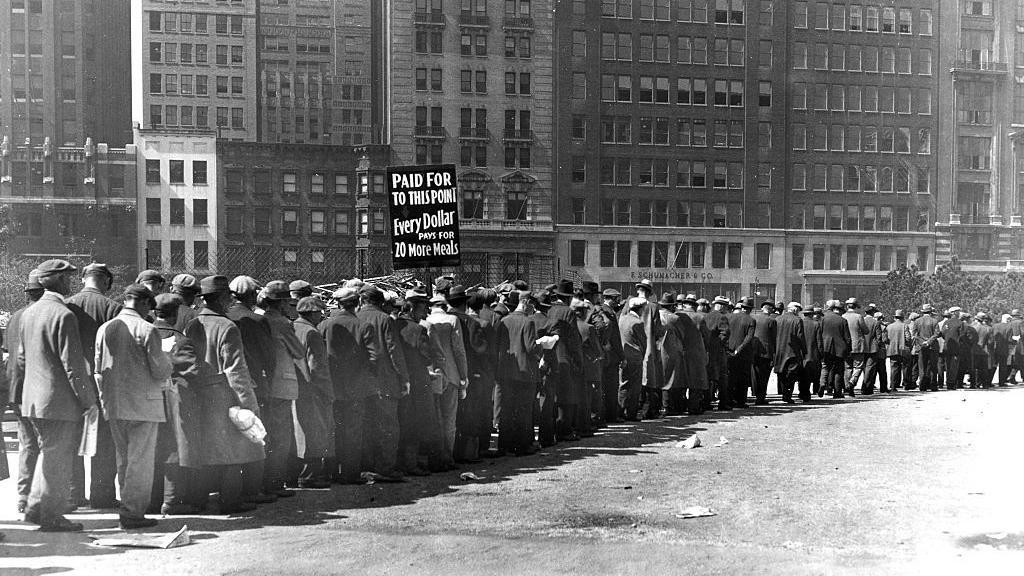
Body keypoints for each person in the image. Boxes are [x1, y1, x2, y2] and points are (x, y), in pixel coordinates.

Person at [15, 259, 98, 532]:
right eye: (68, 277)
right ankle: (51, 515)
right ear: (61, 281)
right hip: (59, 403)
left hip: (33, 400)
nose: (71, 281)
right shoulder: (64, 315)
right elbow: (73, 367)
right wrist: (88, 401)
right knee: (58, 458)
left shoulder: (29, 313)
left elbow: (21, 359)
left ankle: (35, 508)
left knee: (45, 454)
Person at [94, 284, 173, 529]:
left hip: (115, 404)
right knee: (141, 461)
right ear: (144, 303)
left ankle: (127, 506)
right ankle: (132, 513)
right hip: (144, 405)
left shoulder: (105, 328)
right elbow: (159, 370)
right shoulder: (147, 329)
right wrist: (168, 358)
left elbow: (98, 370)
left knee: (124, 458)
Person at [185, 275, 265, 514]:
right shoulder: (227, 326)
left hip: (199, 393)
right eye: (227, 297)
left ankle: (200, 499)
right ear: (221, 298)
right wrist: (248, 403)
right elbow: (235, 368)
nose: (231, 300)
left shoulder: (193, 323)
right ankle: (230, 501)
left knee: (207, 447)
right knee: (232, 450)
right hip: (224, 393)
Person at [64, 262, 121, 510]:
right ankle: (102, 495)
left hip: (73, 384)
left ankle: (74, 494)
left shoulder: (66, 305)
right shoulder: (113, 308)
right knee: (104, 442)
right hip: (103, 384)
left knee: (74, 439)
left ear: (83, 279)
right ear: (106, 281)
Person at [150, 293, 204, 515]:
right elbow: (193, 371)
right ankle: (172, 501)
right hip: (175, 400)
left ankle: (152, 500)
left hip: (149, 399)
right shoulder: (180, 340)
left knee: (153, 448)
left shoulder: (145, 334)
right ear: (175, 314)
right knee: (175, 446)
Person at [225, 276, 277, 504]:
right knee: (257, 434)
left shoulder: (224, 318)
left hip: (225, 385)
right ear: (253, 295)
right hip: (255, 383)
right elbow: (269, 357)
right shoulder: (256, 320)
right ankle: (254, 488)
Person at [357, 284, 410, 481]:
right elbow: (393, 349)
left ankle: (367, 465)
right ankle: (385, 468)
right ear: (380, 302)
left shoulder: (356, 318)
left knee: (366, 425)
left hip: (362, 382)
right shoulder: (384, 319)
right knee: (388, 426)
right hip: (385, 381)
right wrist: (404, 377)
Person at [319, 287, 372, 483]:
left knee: (333, 429)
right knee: (353, 431)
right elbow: (373, 357)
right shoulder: (362, 325)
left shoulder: (324, 325)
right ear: (356, 303)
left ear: (338, 303)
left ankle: (331, 471)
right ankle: (350, 473)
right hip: (356, 387)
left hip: (332, 386)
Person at [260, 280, 304, 496]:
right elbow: (299, 351)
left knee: (269, 434)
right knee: (281, 435)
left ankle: (268, 480)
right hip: (282, 384)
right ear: (281, 303)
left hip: (266, 384)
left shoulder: (261, 319)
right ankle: (276, 482)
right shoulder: (283, 323)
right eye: (288, 302)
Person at [7, 271, 44, 515]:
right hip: (36, 389)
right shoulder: (38, 316)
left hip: (16, 389)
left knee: (27, 444)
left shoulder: (15, 318)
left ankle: (23, 495)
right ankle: (36, 498)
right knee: (46, 444)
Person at [420, 292, 468, 470]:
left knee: (433, 418)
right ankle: (446, 457)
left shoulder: (424, 322)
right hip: (451, 373)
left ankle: (431, 456)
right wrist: (464, 375)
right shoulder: (452, 320)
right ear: (445, 305)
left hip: (430, 374)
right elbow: (458, 350)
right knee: (449, 419)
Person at [292, 296, 335, 488]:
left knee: (300, 431)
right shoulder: (312, 333)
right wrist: (328, 392)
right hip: (314, 389)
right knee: (316, 431)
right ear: (312, 313)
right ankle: (310, 476)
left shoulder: (293, 327)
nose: (321, 315)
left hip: (297, 387)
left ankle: (297, 473)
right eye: (319, 312)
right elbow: (318, 368)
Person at [394, 289, 438, 475]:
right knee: (418, 421)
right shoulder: (418, 330)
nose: (425, 314)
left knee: (402, 421)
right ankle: (412, 464)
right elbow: (426, 357)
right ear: (412, 309)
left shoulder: (394, 325)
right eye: (422, 310)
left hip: (398, 379)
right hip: (418, 380)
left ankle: (401, 462)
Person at [496, 291, 542, 456]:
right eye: (532, 304)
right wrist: (541, 347)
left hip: (506, 372)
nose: (533, 308)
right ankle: (523, 445)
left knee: (507, 409)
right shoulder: (528, 322)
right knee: (524, 410)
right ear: (526, 302)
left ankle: (504, 445)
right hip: (524, 373)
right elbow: (530, 348)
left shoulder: (504, 320)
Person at [676, 294, 710, 414]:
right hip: (696, 352)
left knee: (680, 380)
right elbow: (707, 337)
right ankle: (693, 407)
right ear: (695, 306)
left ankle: (679, 407)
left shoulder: (677, 316)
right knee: (696, 381)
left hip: (680, 351)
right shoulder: (699, 317)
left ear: (684, 304)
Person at [573, 298, 603, 433]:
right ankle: (586, 425)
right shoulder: (588, 328)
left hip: (574, 365)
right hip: (588, 365)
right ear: (584, 312)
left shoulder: (570, 325)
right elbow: (597, 348)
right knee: (587, 396)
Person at [618, 297, 648, 421]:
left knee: (623, 384)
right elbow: (643, 342)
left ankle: (619, 411)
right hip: (635, 357)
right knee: (635, 387)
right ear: (640, 309)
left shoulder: (622, 319)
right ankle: (632, 413)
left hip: (624, 355)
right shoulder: (638, 323)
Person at [598, 289, 624, 423]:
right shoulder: (608, 313)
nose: (617, 302)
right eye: (615, 299)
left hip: (604, 354)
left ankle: (605, 415)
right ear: (608, 299)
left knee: (604, 386)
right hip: (611, 355)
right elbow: (615, 338)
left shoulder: (601, 310)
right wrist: (622, 356)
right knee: (611, 387)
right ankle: (611, 416)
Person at [656, 292, 684, 417]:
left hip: (656, 349)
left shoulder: (655, 316)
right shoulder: (674, 318)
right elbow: (682, 334)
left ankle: (658, 406)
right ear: (672, 306)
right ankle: (667, 406)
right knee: (670, 378)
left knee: (658, 378)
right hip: (670, 350)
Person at [773, 303, 806, 404]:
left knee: (781, 373)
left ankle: (783, 392)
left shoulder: (778, 319)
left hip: (779, 350)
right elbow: (800, 337)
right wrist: (804, 350)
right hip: (792, 351)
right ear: (795, 310)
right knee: (791, 374)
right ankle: (787, 395)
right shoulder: (797, 320)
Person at [727, 297, 756, 408]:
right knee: (743, 378)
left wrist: (729, 349)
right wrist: (738, 350)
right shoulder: (751, 320)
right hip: (743, 354)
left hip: (730, 352)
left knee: (731, 377)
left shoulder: (730, 317)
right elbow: (749, 338)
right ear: (750, 309)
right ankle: (740, 401)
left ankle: (729, 399)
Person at [705, 296, 732, 411]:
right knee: (723, 377)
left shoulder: (706, 316)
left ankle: (706, 402)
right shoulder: (722, 318)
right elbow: (725, 333)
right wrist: (718, 344)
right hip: (718, 352)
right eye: (726, 307)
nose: (726, 309)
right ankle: (723, 403)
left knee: (708, 377)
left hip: (706, 351)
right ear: (721, 306)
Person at [821, 300, 852, 398]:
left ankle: (822, 384)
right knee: (838, 371)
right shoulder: (842, 321)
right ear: (840, 310)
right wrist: (848, 350)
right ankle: (837, 392)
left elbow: (819, 333)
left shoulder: (824, 319)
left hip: (826, 348)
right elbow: (847, 338)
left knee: (826, 367)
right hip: (839, 349)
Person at [751, 300, 777, 405]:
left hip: (755, 350)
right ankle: (761, 397)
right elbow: (774, 338)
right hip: (766, 352)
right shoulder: (771, 321)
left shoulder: (755, 318)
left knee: (755, 374)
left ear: (762, 309)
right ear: (770, 309)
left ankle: (756, 394)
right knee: (764, 376)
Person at [842, 298, 869, 396]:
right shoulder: (858, 317)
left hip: (846, 346)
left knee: (847, 367)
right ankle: (852, 383)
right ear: (856, 306)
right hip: (858, 346)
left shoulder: (843, 316)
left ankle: (847, 387)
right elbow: (866, 331)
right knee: (858, 366)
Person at [915, 304, 941, 391]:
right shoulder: (934, 321)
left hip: (921, 347)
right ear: (930, 312)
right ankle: (933, 385)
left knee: (922, 366)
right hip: (932, 347)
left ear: (923, 311)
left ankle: (922, 385)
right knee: (933, 366)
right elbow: (936, 334)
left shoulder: (917, 321)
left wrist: (922, 342)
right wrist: (928, 342)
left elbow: (915, 335)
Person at [801, 304, 823, 401]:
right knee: (811, 374)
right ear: (812, 314)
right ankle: (808, 393)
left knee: (802, 373)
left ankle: (802, 392)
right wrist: (821, 353)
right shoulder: (816, 324)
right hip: (812, 353)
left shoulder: (800, 322)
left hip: (801, 354)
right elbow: (819, 341)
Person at [941, 307, 965, 390]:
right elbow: (962, 336)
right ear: (954, 313)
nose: (959, 313)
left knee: (948, 366)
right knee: (954, 366)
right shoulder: (960, 323)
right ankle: (952, 383)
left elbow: (943, 334)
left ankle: (948, 382)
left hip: (947, 346)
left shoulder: (946, 322)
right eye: (958, 312)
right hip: (956, 348)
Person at [886, 310, 911, 391]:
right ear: (902, 318)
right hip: (903, 349)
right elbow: (908, 338)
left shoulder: (889, 326)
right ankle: (906, 385)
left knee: (894, 368)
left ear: (894, 318)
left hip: (892, 350)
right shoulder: (905, 326)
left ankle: (893, 385)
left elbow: (885, 339)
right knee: (905, 367)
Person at [973, 312, 994, 389]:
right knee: (984, 368)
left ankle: (975, 383)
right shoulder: (988, 328)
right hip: (984, 350)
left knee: (975, 368)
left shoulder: (973, 327)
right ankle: (985, 384)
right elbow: (991, 342)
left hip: (974, 350)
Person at [992, 314, 1014, 387]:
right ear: (1007, 319)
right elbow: (1010, 339)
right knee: (1003, 366)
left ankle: (988, 380)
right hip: (1004, 349)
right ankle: (1001, 382)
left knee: (993, 365)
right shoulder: (1009, 327)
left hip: (995, 348)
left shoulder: (995, 325)